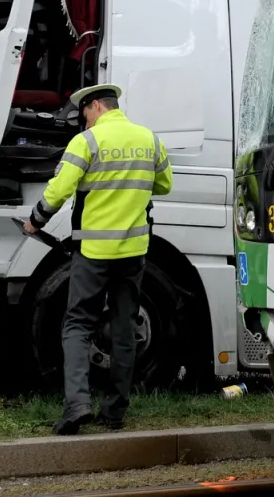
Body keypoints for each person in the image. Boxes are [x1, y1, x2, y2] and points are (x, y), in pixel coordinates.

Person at [23, 84, 172, 435]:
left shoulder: (86, 143)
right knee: (124, 329)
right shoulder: (149, 139)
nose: (83, 120)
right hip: (133, 252)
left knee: (77, 325)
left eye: (83, 113)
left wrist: (35, 221)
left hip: (93, 253)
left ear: (95, 107)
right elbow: (164, 185)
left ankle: (77, 405)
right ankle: (115, 412)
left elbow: (58, 191)